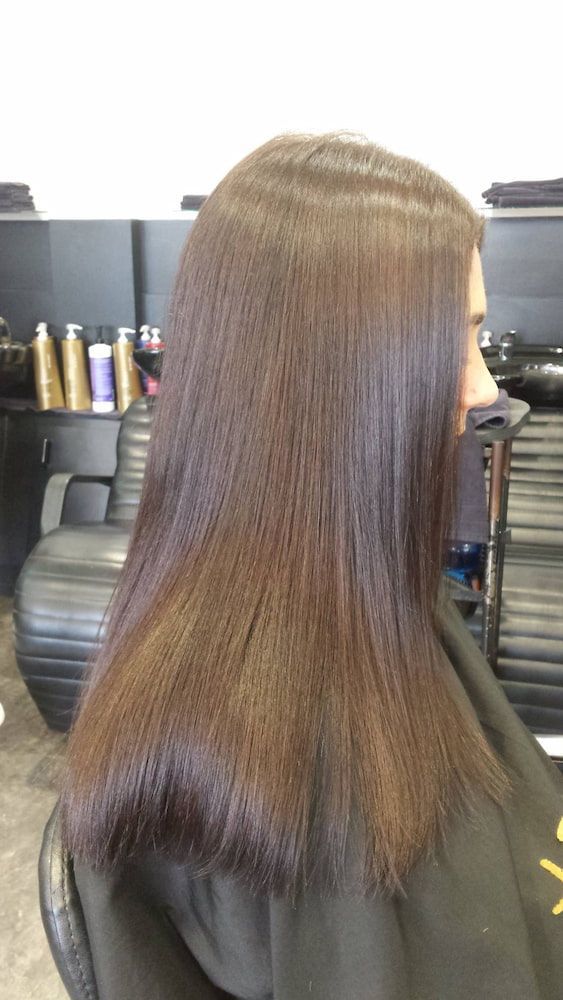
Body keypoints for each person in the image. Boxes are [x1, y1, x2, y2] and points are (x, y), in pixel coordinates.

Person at [48, 132, 563, 999]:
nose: (482, 389)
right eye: (454, 339)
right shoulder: (293, 758)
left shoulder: (359, 595)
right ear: (339, 371)